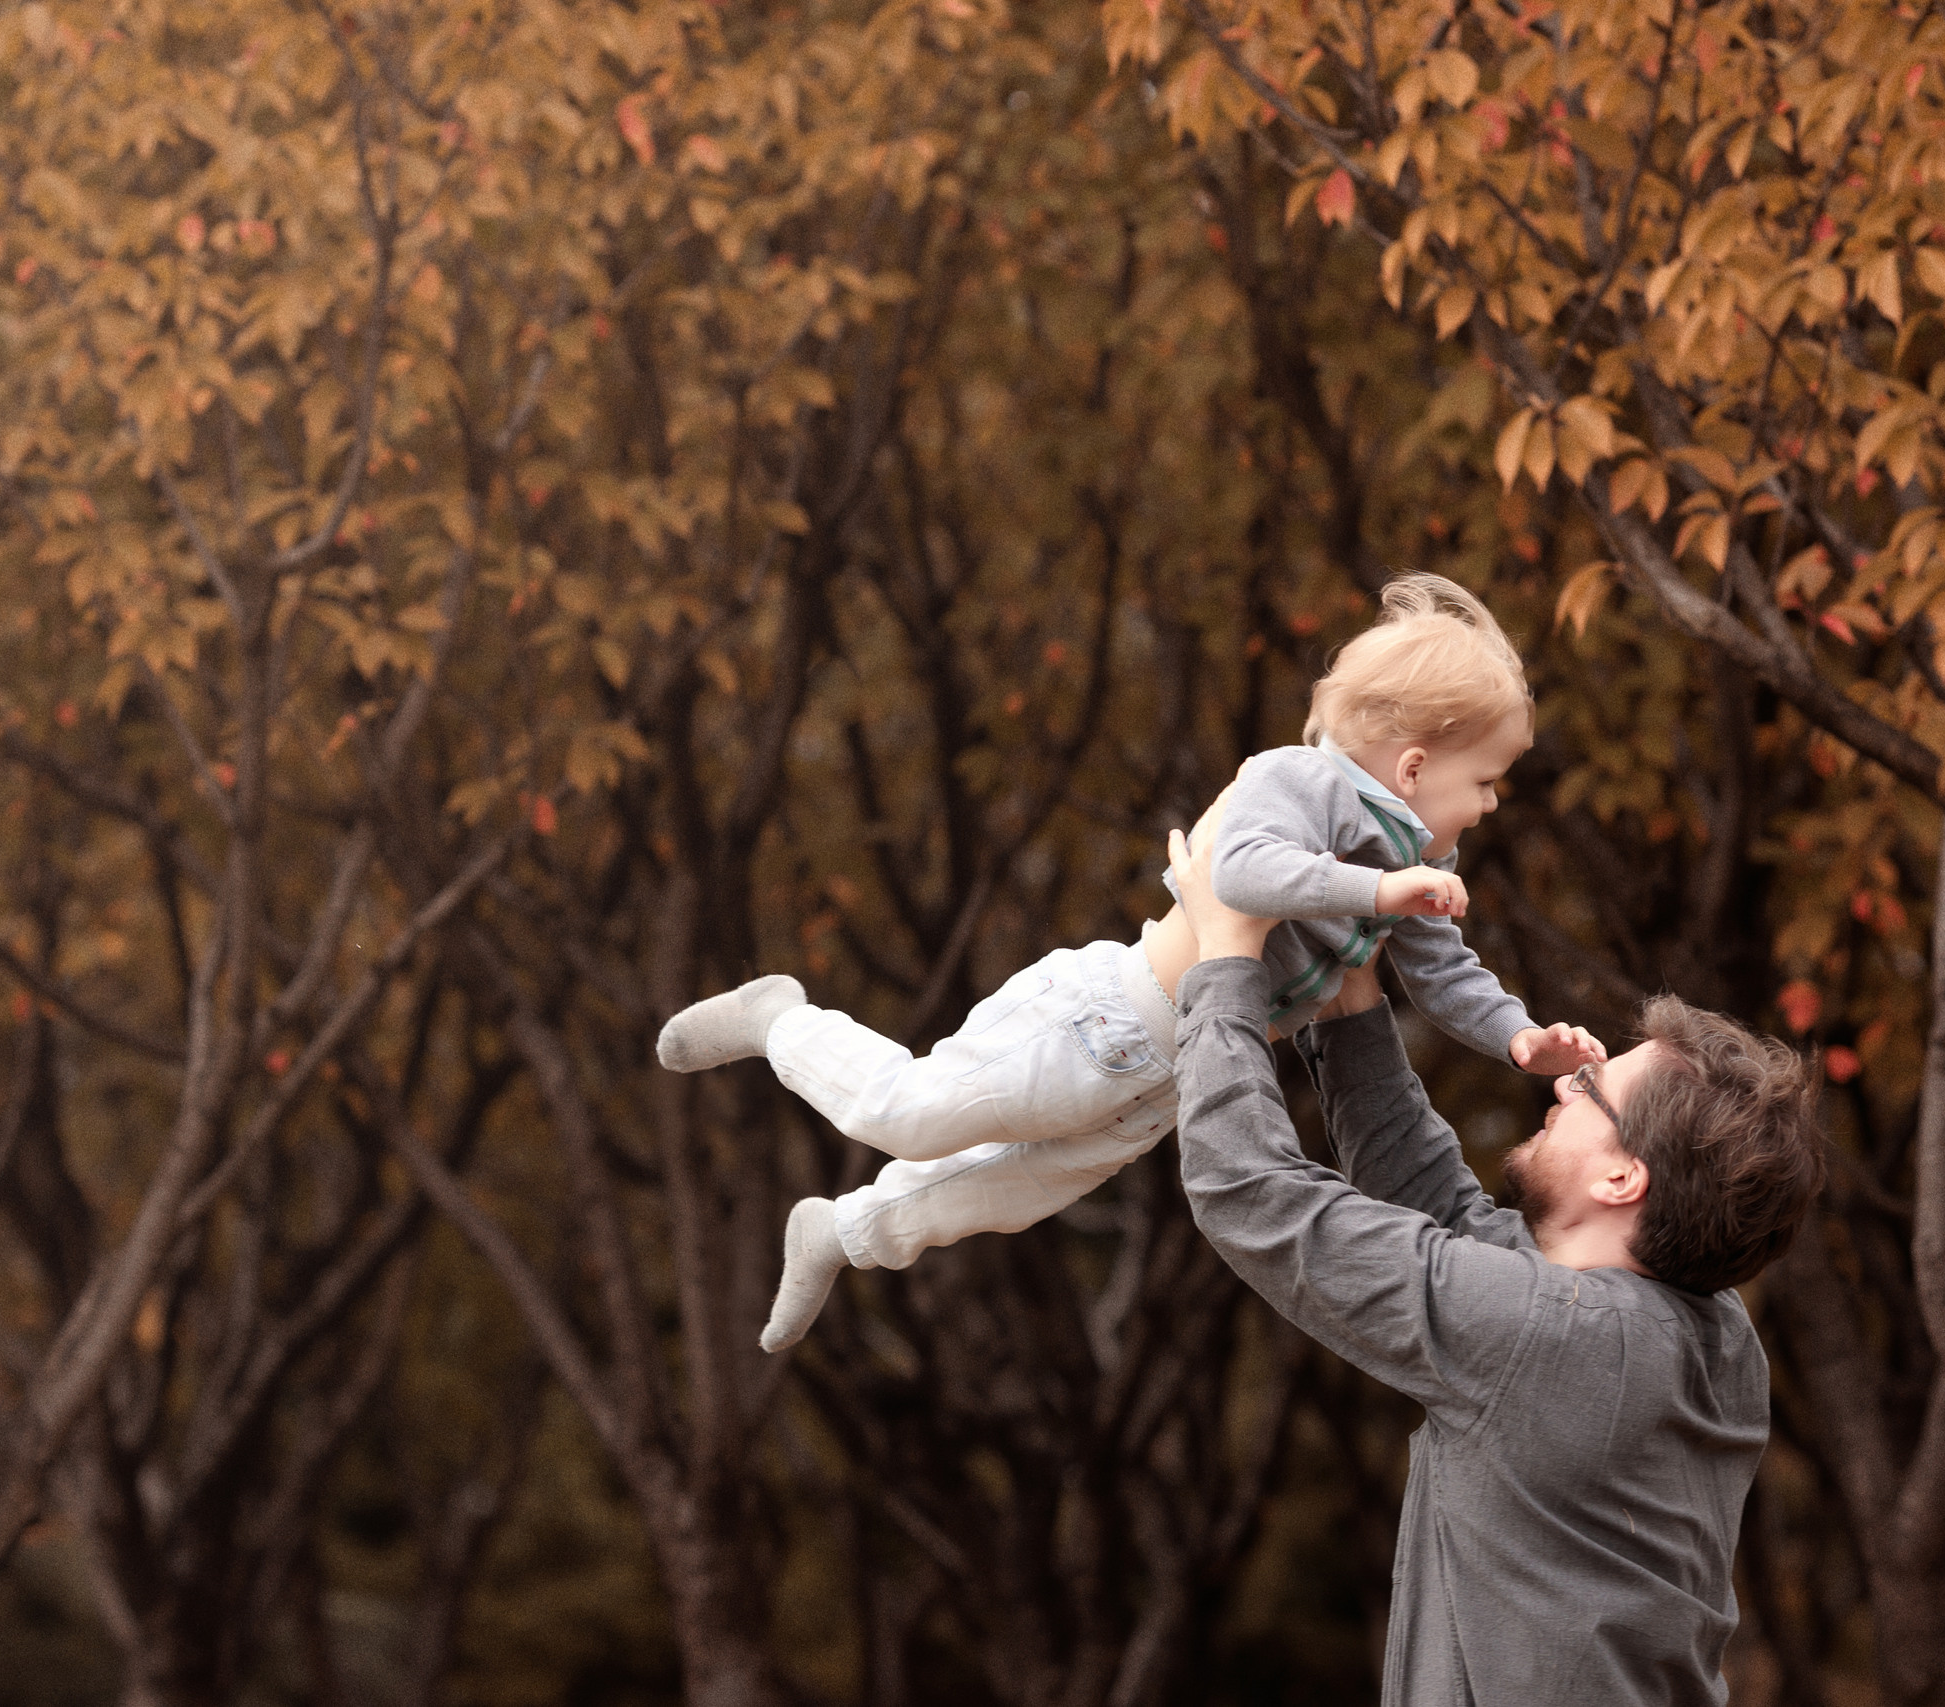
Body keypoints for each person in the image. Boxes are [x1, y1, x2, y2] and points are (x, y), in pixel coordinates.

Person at [657, 574, 1602, 1351]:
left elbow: (1447, 974)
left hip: (1171, 1075)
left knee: (1009, 1191)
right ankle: (780, 1017)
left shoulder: (1419, 865)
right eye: (1482, 782)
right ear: (1411, 765)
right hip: (1108, 1014)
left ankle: (844, 1231)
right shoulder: (1298, 781)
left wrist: (1519, 1038)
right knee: (908, 1113)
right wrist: (1378, 896)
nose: (1485, 807)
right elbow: (1239, 869)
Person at [1167, 808, 1826, 1706]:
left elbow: (1248, 1190)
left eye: (1592, 1089)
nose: (1565, 1081)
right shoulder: (1711, 1338)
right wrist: (1353, 994)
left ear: (1625, 1176)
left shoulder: (1553, 1338)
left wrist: (1226, 958)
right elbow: (1447, 1217)